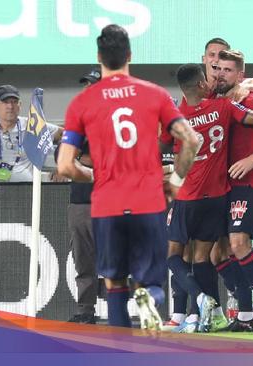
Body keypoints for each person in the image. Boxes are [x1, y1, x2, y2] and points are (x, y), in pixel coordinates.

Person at [57, 24, 202, 330]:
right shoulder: (155, 94)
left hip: (108, 203)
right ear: (130, 56)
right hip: (148, 200)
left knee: (114, 283)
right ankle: (148, 298)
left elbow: (65, 166)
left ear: (99, 56)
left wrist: (96, 175)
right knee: (151, 281)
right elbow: (191, 140)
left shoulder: (82, 103)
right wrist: (175, 182)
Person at [211, 49, 253, 332]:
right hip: (219, 184)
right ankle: (245, 314)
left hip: (248, 181)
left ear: (241, 75)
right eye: (218, 69)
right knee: (218, 253)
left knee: (239, 244)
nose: (221, 74)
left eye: (227, 70)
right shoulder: (213, 104)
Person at [66, 68, 101, 325]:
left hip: (109, 199)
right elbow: (67, 154)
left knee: (119, 260)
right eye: (85, 85)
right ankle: (85, 310)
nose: (87, 90)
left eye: (92, 85)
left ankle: (128, 309)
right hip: (80, 200)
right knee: (83, 260)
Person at [0, 85, 62, 182]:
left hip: (25, 192)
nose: (10, 106)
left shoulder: (33, 126)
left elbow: (66, 135)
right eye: (5, 102)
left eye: (14, 102)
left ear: (20, 105)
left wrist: (62, 167)